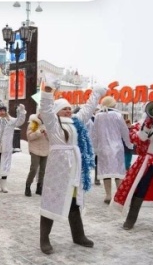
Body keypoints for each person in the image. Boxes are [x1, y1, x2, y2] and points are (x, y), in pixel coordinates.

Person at [39, 80, 107, 254]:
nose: (68, 110)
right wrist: (48, 92)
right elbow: (46, 108)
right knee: (51, 201)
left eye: (69, 108)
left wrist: (96, 94)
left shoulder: (76, 122)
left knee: (74, 202)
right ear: (56, 111)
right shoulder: (52, 123)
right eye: (64, 108)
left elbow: (87, 109)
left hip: (75, 170)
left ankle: (78, 235)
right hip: (58, 169)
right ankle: (44, 239)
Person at [111, 107, 153, 230]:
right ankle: (130, 219)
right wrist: (147, 125)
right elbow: (139, 139)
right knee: (140, 189)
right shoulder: (143, 124)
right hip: (148, 162)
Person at [92, 96, 133, 204]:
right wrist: (129, 144)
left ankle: (108, 195)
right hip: (117, 148)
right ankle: (119, 195)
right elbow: (124, 131)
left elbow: (94, 134)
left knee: (106, 172)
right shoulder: (118, 115)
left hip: (103, 148)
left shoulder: (98, 116)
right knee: (118, 171)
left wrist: (95, 147)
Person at [0, 98, 26, 193]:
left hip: (6, 148)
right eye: (0, 111)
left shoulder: (10, 121)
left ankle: (4, 185)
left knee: (5, 165)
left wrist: (21, 111)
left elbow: (20, 121)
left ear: (6, 111)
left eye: (3, 111)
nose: (2, 112)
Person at [25, 113, 49, 197]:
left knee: (43, 170)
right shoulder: (33, 123)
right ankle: (28, 186)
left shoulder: (49, 124)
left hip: (45, 149)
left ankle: (39, 187)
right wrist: (39, 132)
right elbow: (29, 137)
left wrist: (47, 134)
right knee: (34, 169)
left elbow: (53, 138)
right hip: (35, 149)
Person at [86, 107, 101, 185]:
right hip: (88, 143)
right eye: (96, 110)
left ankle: (97, 178)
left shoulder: (97, 119)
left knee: (97, 162)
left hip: (97, 144)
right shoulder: (87, 119)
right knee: (87, 161)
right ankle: (86, 178)